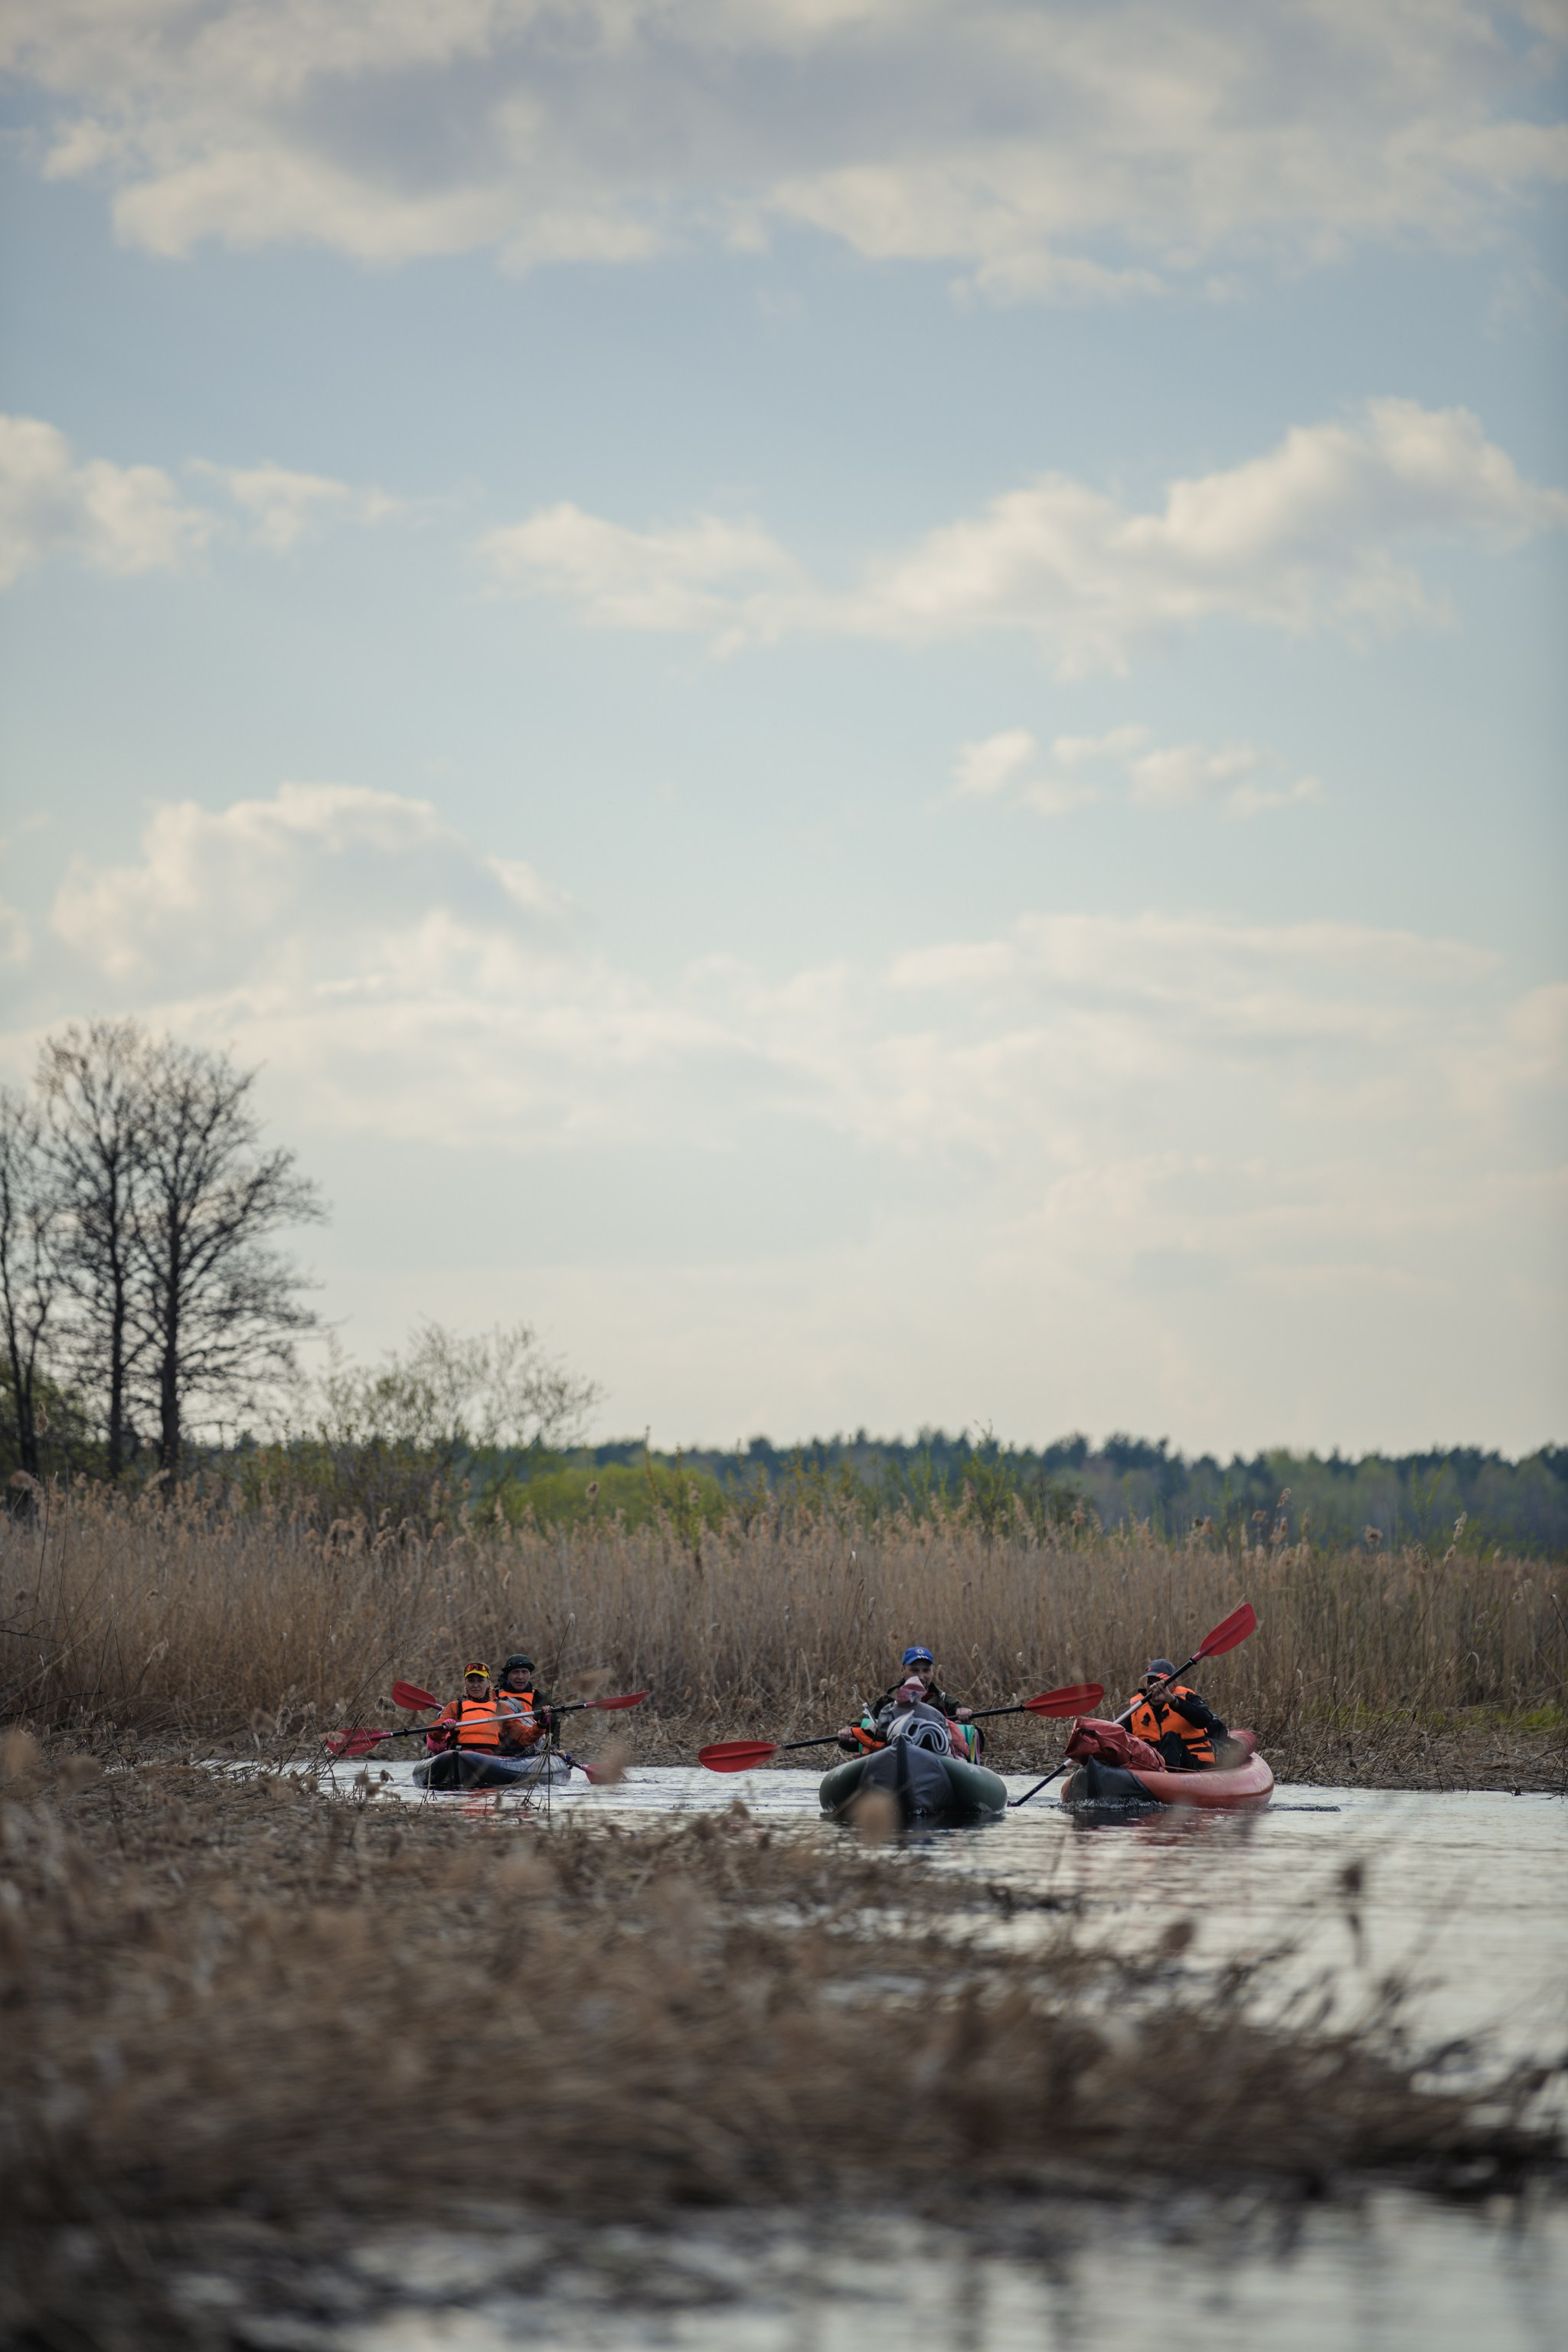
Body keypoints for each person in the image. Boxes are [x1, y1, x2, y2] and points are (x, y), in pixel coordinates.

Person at [836, 1645, 983, 1756]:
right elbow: (855, 1734)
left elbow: (977, 1743)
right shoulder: (886, 1702)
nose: (921, 1677)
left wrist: (965, 1719)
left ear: (933, 1671)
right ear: (903, 1670)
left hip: (937, 1762)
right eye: (914, 1670)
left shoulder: (947, 1702)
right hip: (892, 1758)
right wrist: (846, 1735)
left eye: (926, 1670)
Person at [1125, 1658, 1228, 1770]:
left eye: (1161, 1683)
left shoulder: (1187, 1697)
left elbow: (1205, 1719)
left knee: (1170, 1737)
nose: (1154, 1688)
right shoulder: (1136, 1707)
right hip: (1152, 1766)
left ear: (1174, 1685)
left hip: (1192, 1762)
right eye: (1150, 1683)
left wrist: (1173, 1700)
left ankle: (1167, 1775)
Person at [430, 1663, 522, 1753]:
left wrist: (533, 1730)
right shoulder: (455, 1706)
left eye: (480, 1680)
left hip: (492, 1757)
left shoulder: (501, 1707)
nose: (475, 1685)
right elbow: (433, 1734)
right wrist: (443, 1727)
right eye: (471, 1681)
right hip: (461, 1755)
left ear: (488, 1682)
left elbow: (522, 1735)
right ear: (465, 1683)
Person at [494, 1652, 557, 1753]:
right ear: (507, 1675)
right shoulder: (495, 1695)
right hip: (502, 1747)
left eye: (524, 1672)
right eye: (515, 1672)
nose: (520, 1677)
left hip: (533, 1747)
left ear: (530, 1675)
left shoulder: (541, 1697)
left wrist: (553, 1746)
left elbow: (553, 1726)